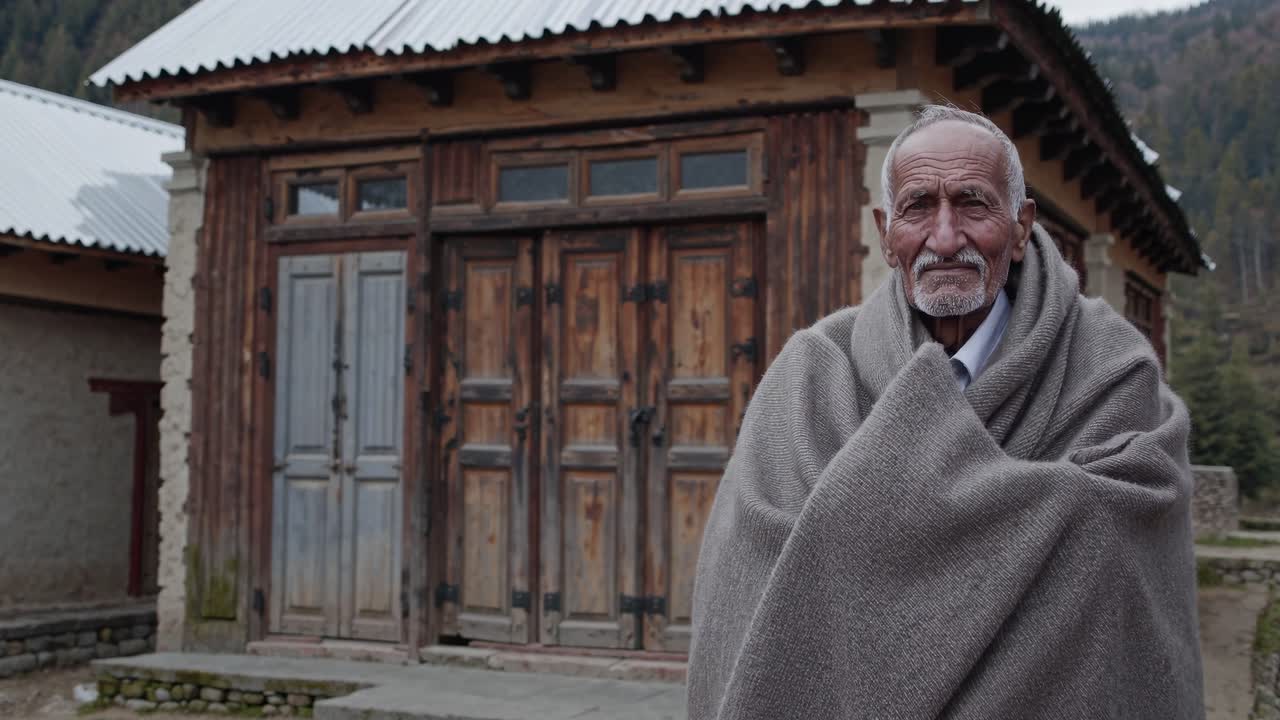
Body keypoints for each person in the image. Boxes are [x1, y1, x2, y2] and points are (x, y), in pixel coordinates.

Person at [687, 105, 1203, 719]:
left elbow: (1123, 559)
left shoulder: (1109, 368)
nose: (945, 237)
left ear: (1020, 227)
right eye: (918, 208)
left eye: (973, 204)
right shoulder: (812, 374)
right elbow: (750, 584)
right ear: (885, 230)